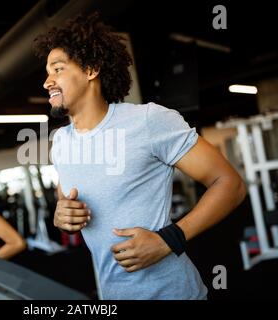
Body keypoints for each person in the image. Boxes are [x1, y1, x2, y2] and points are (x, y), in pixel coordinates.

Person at [33, 13, 247, 299]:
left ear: (91, 69)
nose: (48, 81)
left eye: (57, 69)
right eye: (47, 72)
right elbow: (69, 195)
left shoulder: (147, 121)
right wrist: (62, 213)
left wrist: (168, 240)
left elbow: (230, 184)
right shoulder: (60, 142)